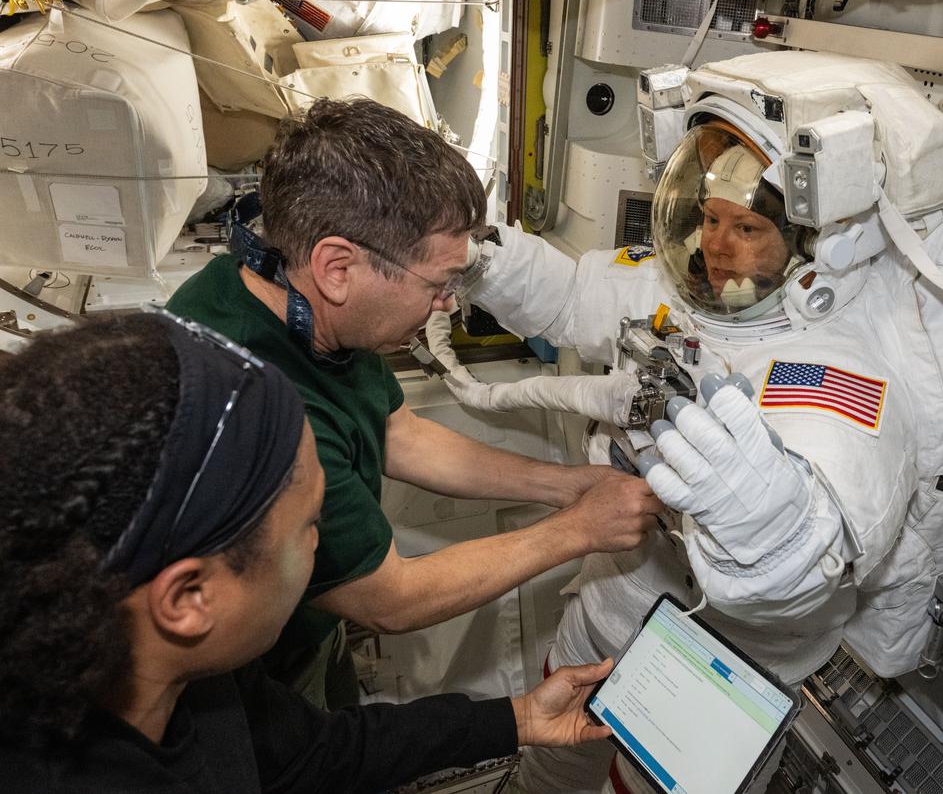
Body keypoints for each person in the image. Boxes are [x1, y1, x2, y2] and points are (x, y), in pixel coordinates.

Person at [457, 53, 943, 793]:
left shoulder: (833, 364)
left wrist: (765, 527)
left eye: (747, 227)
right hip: (615, 596)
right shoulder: (679, 289)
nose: (717, 244)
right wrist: (479, 264)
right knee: (553, 764)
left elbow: (824, 531)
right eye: (711, 219)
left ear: (813, 243)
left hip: (724, 654)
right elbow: (571, 296)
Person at [166, 97, 663, 709]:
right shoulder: (264, 404)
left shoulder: (276, 293)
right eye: (439, 284)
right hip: (249, 684)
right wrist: (580, 530)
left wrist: (563, 485)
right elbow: (389, 599)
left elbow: (401, 434)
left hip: (309, 635)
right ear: (338, 267)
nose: (450, 304)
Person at [0, 312, 616, 792]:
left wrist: (518, 718)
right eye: (308, 526)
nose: (322, 543)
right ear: (189, 598)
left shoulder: (200, 681)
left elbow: (313, 754)